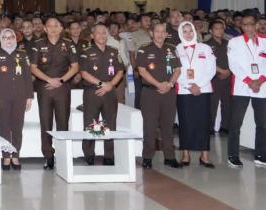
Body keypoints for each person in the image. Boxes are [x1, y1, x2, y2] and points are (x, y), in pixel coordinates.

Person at [227, 13, 266, 169]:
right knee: (236, 123)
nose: (248, 27)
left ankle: (261, 155)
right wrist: (250, 81)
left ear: (256, 25)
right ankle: (233, 155)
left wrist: (260, 80)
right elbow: (234, 65)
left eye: (251, 24)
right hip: (242, 87)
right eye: (245, 24)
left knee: (261, 123)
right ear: (241, 26)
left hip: (261, 87)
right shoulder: (234, 42)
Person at [29, 17, 79, 170]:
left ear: (61, 28)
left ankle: (63, 155)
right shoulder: (38, 45)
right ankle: (48, 156)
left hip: (63, 88)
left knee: (63, 122)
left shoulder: (68, 44)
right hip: (44, 88)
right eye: (50, 26)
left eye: (56, 26)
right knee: (46, 123)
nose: (53, 28)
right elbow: (33, 68)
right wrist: (50, 80)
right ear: (45, 28)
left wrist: (61, 81)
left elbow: (75, 67)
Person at [79, 23, 125, 166]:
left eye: (104, 33)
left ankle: (109, 155)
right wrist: (101, 84)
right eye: (98, 33)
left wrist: (110, 85)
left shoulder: (113, 50)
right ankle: (89, 154)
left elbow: (120, 71)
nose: (102, 36)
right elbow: (83, 73)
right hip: (93, 92)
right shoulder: (85, 51)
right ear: (92, 36)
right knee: (91, 124)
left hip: (110, 92)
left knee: (110, 124)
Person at [136, 22, 181, 169]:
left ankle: (169, 157)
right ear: (151, 33)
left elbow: (177, 70)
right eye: (157, 31)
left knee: (168, 126)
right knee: (150, 126)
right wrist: (158, 85)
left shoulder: (172, 49)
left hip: (169, 92)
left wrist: (170, 84)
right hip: (150, 93)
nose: (160, 34)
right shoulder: (143, 50)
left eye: (163, 32)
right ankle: (148, 157)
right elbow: (142, 71)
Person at [0, 29, 32, 170]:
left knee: (17, 128)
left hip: (20, 97)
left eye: (11, 37)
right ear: (1, 39)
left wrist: (29, 96)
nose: (9, 40)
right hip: (2, 98)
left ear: (15, 39)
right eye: (5, 37)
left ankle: (15, 155)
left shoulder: (22, 55)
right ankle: (6, 156)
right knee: (5, 127)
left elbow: (27, 77)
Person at [175, 21, 216, 168]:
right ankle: (185, 155)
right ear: (180, 33)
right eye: (184, 31)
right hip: (184, 90)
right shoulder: (175, 49)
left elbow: (211, 69)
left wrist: (198, 84)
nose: (188, 34)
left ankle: (204, 155)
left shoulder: (205, 48)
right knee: (185, 122)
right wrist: (188, 85)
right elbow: (174, 71)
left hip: (203, 89)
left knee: (203, 122)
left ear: (194, 32)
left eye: (190, 31)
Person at [205, 20, 232, 134]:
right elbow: (207, 61)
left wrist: (229, 71)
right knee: (212, 103)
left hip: (229, 76)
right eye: (216, 28)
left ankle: (225, 126)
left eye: (221, 28)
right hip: (214, 78)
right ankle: (210, 127)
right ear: (211, 31)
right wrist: (221, 71)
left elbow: (235, 59)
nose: (220, 30)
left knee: (228, 102)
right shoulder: (206, 45)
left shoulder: (229, 43)